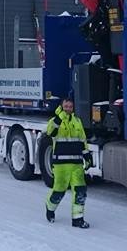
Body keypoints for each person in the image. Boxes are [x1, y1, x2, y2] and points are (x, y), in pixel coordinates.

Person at [44, 98, 91, 229]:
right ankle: (50, 207)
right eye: (66, 106)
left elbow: (82, 139)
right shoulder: (55, 121)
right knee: (59, 190)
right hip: (61, 164)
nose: (68, 109)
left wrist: (87, 155)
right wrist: (59, 118)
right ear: (61, 107)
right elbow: (50, 132)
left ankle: (78, 219)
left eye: (70, 107)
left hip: (76, 163)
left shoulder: (77, 121)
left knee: (80, 190)